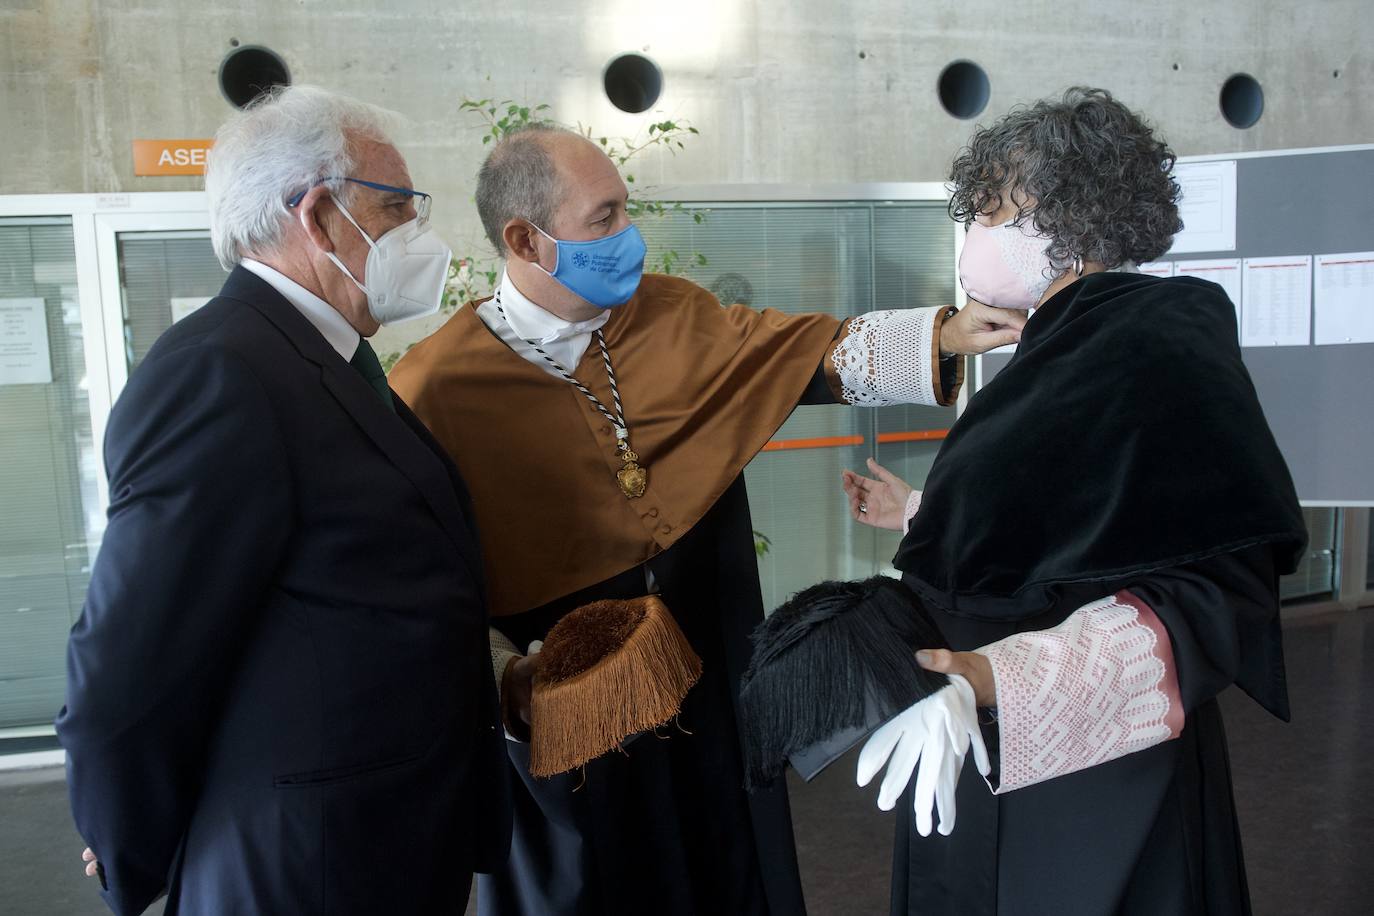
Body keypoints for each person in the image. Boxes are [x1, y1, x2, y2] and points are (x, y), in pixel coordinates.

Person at [388, 122, 1025, 915]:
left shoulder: (667, 312)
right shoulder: (433, 388)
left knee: (729, 857)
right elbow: (409, 586)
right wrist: (507, 685)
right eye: (605, 218)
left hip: (708, 668)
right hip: (577, 704)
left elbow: (804, 355)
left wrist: (945, 332)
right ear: (526, 239)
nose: (631, 237)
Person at [841, 87, 1306, 915]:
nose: (973, 234)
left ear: (1064, 215)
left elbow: (1209, 587)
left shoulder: (1155, 342)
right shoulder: (1067, 345)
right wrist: (922, 515)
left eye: (990, 208)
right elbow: (1072, 520)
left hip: (1092, 775)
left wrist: (991, 679)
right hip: (973, 733)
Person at [55, 85, 508, 915]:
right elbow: (129, 663)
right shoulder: (221, 370)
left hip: (388, 836)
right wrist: (133, 852)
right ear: (317, 213)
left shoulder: (327, 360)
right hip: (305, 863)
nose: (417, 232)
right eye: (398, 205)